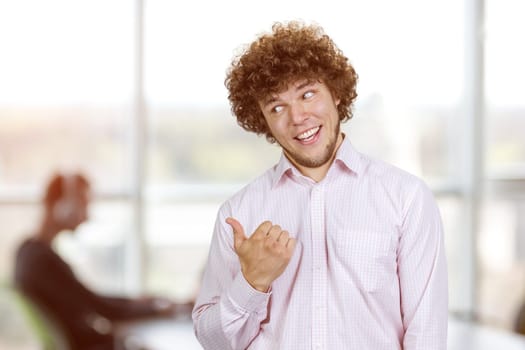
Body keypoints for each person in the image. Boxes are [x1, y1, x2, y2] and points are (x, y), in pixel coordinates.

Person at [192, 21, 448, 349]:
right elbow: (213, 342)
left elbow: (426, 335)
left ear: (336, 94)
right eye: (277, 106)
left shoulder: (407, 198)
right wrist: (252, 282)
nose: (297, 116)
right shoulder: (239, 213)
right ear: (263, 121)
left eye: (307, 94)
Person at [14, 172, 193, 350]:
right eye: (83, 204)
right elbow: (101, 308)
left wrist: (140, 303)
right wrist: (158, 309)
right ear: (63, 206)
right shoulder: (42, 260)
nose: (87, 215)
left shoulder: (27, 251)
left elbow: (88, 298)